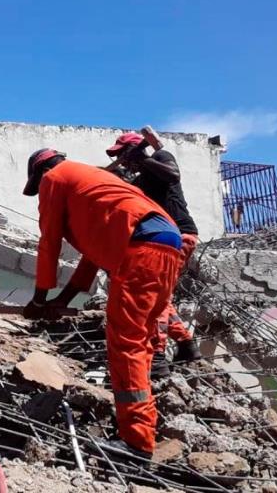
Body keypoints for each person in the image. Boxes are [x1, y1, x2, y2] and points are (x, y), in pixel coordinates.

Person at [21, 148, 181, 461]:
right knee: (141, 342)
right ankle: (142, 428)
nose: (40, 193)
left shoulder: (55, 178)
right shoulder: (94, 184)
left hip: (142, 247)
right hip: (167, 243)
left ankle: (137, 445)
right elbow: (91, 259)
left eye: (37, 187)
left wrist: (39, 299)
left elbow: (49, 240)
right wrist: (60, 302)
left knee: (126, 344)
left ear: (41, 173)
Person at [106, 133, 202, 379]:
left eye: (123, 154)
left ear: (135, 150)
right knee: (161, 296)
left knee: (156, 297)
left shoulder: (161, 158)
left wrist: (142, 159)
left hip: (178, 235)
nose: (123, 161)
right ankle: (186, 344)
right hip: (164, 240)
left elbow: (173, 175)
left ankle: (158, 356)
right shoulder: (140, 181)